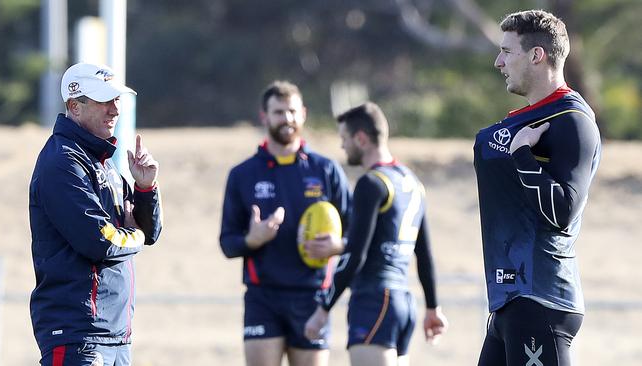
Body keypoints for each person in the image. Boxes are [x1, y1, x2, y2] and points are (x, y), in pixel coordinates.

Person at [474, 10, 601, 366]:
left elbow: (562, 212)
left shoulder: (573, 121)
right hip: (511, 301)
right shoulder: (532, 119)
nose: (498, 62)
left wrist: (523, 157)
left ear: (536, 55)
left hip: (542, 300)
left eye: (507, 51)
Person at [29, 62, 163, 365]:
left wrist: (146, 188)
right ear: (75, 106)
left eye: (117, 100)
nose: (115, 110)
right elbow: (99, 240)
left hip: (114, 335)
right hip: (79, 335)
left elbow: (150, 231)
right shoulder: (62, 162)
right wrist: (135, 236)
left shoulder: (101, 162)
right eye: (105, 100)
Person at [304, 102, 448, 366]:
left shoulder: (371, 183)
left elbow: (355, 255)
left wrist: (324, 309)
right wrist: (432, 307)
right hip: (403, 301)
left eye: (344, 139)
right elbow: (424, 254)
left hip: (374, 300)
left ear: (361, 138)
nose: (342, 146)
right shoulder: (412, 182)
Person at [219, 80, 351, 366]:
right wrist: (251, 240)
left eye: (292, 111)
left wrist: (338, 245)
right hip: (262, 296)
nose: (287, 119)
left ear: (303, 113)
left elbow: (359, 233)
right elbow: (227, 243)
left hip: (313, 296)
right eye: (279, 112)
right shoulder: (243, 174)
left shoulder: (326, 169)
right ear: (264, 116)